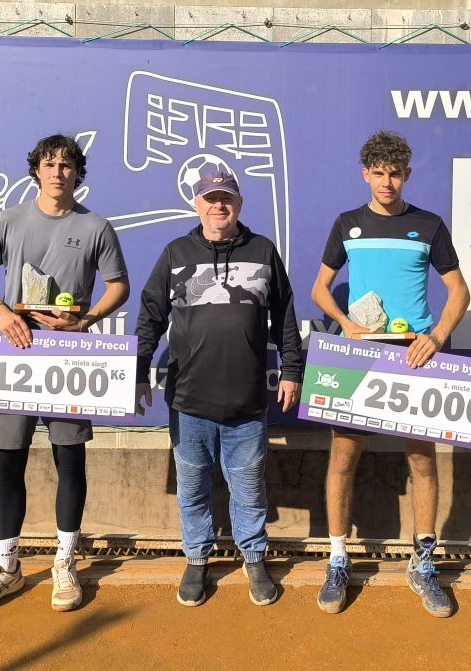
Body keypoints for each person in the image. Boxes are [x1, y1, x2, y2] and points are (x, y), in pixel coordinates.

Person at [0, 134, 130, 616]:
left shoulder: (96, 226)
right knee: (6, 463)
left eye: (67, 165)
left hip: (68, 355)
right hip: (15, 351)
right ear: (36, 170)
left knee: (69, 461)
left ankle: (64, 562)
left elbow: (119, 285)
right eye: (50, 164)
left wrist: (87, 321)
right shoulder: (9, 220)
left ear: (78, 173)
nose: (58, 172)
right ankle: (6, 567)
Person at [310, 130, 470, 618]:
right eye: (378, 173)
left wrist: (436, 337)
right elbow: (319, 289)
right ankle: (338, 559)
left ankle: (423, 563)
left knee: (422, 462)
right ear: (366, 174)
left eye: (395, 173)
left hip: (414, 355)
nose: (386, 182)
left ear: (407, 175)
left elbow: (459, 292)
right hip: (359, 354)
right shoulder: (347, 224)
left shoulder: (429, 225)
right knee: (343, 458)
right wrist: (346, 325)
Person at [135, 163, 303, 608]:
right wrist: (137, 371)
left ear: (239, 204)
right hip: (189, 400)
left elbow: (284, 315)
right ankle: (197, 558)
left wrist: (292, 370)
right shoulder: (175, 253)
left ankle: (254, 558)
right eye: (211, 198)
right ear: (198, 204)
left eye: (226, 197)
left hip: (246, 402)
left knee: (249, 489)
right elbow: (150, 316)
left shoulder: (263, 251)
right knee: (192, 489)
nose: (219, 205)